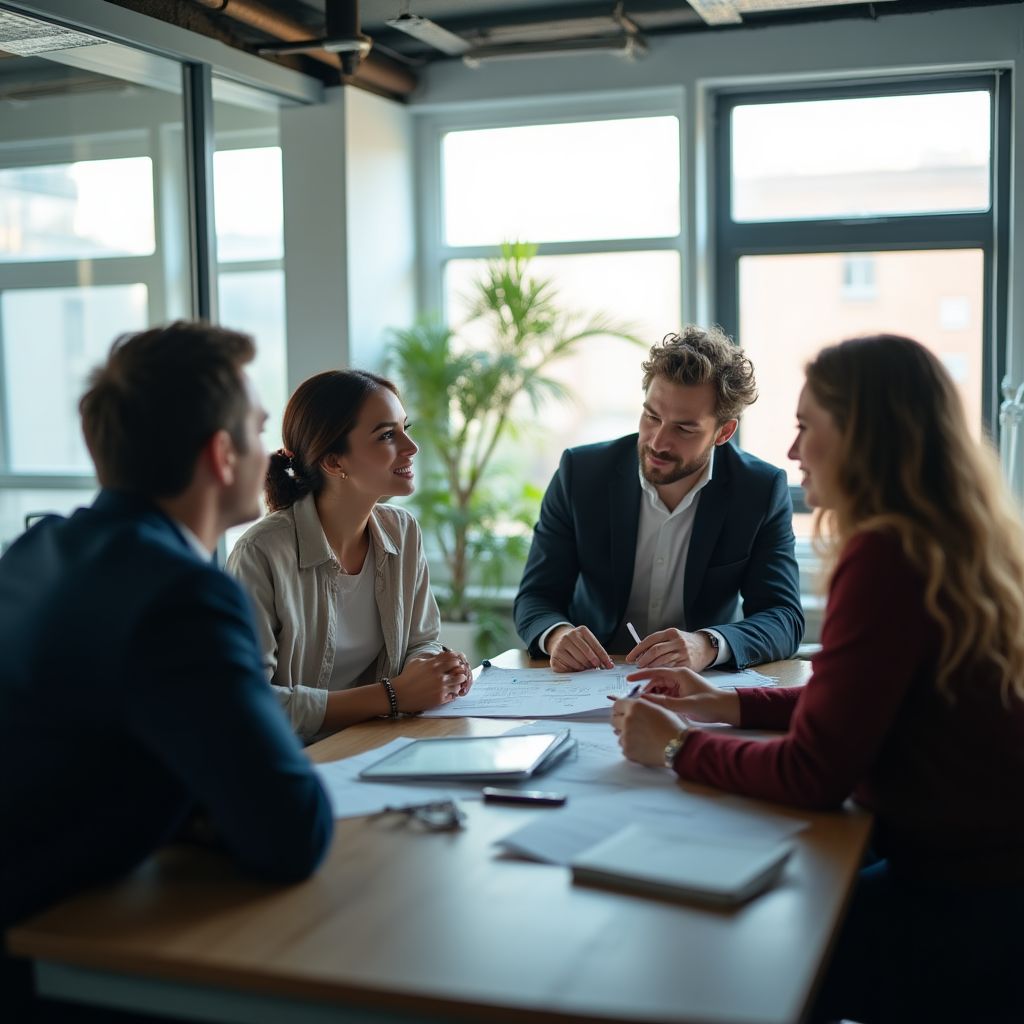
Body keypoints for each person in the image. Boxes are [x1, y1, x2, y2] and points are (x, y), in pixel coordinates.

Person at [614, 334, 1024, 1023]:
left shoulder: (886, 555)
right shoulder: (950, 538)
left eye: (807, 427)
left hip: (964, 906)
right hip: (991, 880)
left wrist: (677, 747)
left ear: (862, 436)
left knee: (734, 957)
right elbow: (870, 700)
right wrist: (729, 705)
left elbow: (813, 773)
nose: (794, 450)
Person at [0, 322, 333, 1012]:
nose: (270, 449)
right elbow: (290, 832)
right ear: (221, 455)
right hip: (53, 959)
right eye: (258, 427)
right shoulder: (183, 595)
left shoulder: (37, 552)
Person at [514, 325, 803, 673]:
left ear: (723, 432)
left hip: (700, 686)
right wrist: (558, 635)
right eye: (651, 416)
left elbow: (783, 617)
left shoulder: (759, 489)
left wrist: (707, 644)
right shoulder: (581, 473)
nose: (657, 442)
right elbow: (536, 596)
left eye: (684, 429)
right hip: (589, 683)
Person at [226, 370, 470, 743]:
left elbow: (422, 640)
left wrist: (434, 673)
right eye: (387, 435)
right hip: (295, 761)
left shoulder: (402, 531)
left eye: (406, 428)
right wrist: (393, 696)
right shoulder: (260, 553)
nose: (411, 446)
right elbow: (247, 704)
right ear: (334, 462)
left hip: (375, 743)